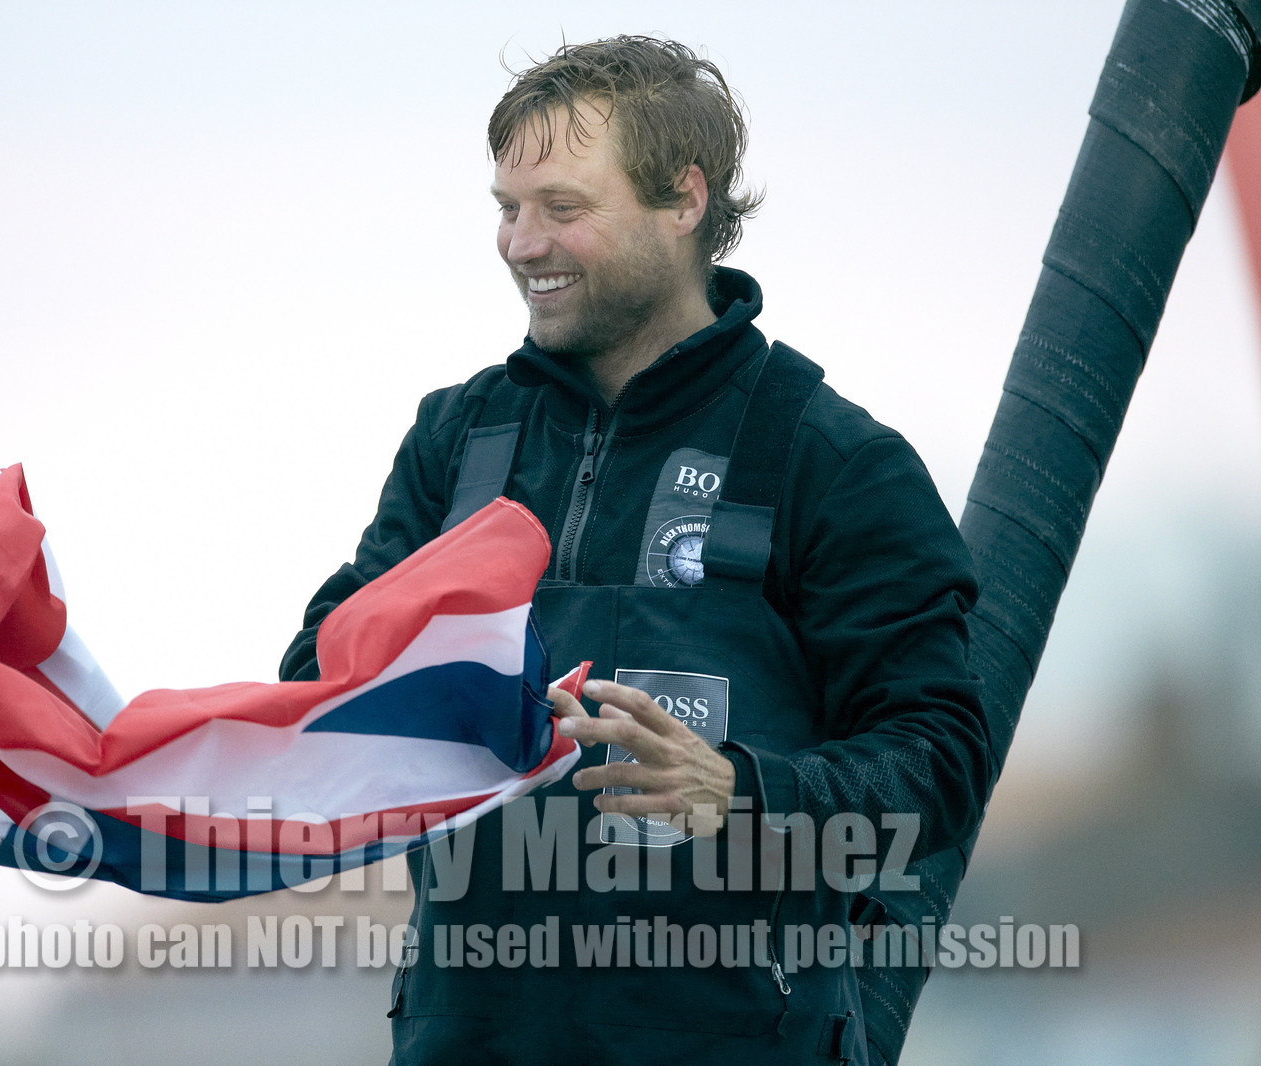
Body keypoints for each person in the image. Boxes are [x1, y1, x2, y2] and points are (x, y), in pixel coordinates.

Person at [280, 36, 991, 1065]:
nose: (522, 244)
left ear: (684, 199)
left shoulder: (829, 458)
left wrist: (741, 795)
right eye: (505, 208)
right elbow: (314, 684)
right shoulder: (458, 441)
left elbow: (939, 764)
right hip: (464, 1039)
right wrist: (433, 692)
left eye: (562, 208)